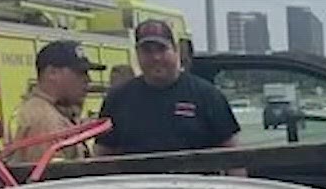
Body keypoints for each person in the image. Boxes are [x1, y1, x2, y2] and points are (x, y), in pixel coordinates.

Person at [95, 20, 240, 156]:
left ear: (176, 51)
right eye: (147, 51)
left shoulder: (208, 95)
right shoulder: (117, 99)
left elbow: (234, 157)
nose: (156, 57)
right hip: (137, 182)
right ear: (137, 54)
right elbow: (102, 156)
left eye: (162, 49)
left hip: (194, 182)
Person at [7, 41, 102, 164]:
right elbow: (53, 176)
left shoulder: (50, 112)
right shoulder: (44, 120)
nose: (88, 79)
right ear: (52, 73)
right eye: (80, 72)